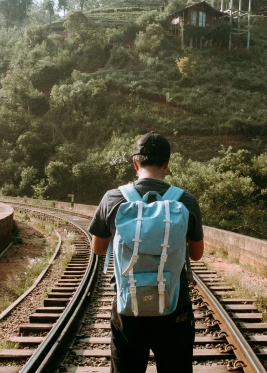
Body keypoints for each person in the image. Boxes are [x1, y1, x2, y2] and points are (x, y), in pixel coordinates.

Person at [88, 131, 204, 373]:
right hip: (174, 307)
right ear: (167, 164)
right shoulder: (186, 201)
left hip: (129, 308)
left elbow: (98, 248)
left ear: (134, 163)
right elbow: (196, 254)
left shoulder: (113, 199)